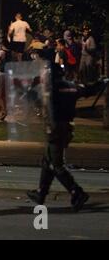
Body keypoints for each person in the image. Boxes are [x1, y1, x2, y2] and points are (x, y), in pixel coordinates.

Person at [27, 64, 108, 212]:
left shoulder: (48, 89)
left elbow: (31, 98)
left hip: (54, 128)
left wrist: (33, 85)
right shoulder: (71, 86)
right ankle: (41, 193)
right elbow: (89, 90)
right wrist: (101, 83)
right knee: (47, 161)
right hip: (67, 128)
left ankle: (77, 192)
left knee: (56, 164)